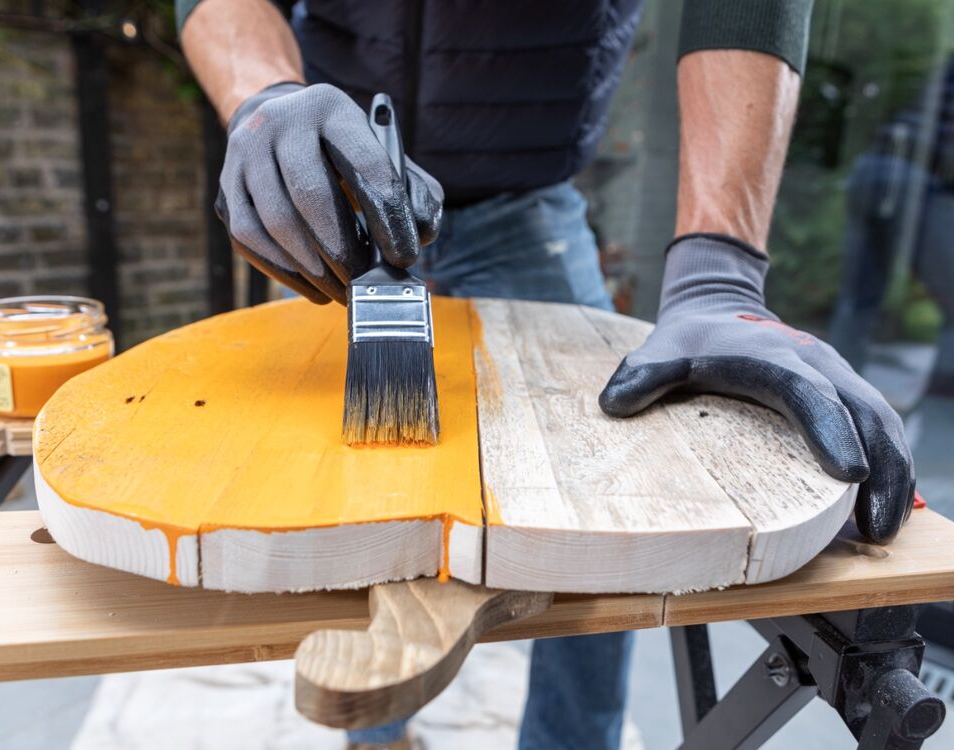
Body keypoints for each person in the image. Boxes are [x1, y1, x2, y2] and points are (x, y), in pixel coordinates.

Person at [178, 2, 916, 748]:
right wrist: (262, 100)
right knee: (343, 501)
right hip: (330, 214)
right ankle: (377, 733)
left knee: (610, 526)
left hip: (529, 216)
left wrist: (717, 271)